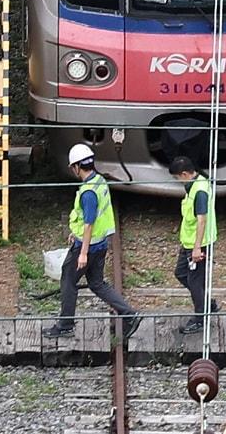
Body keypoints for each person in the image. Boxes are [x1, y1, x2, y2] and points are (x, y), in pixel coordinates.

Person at [42, 144, 142, 340]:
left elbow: (89, 223)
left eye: (73, 167)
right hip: (100, 244)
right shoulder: (100, 181)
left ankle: (65, 324)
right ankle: (129, 314)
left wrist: (82, 253)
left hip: (87, 246)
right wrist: (76, 232)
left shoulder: (88, 192)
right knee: (96, 283)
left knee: (68, 280)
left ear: (77, 167)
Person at [168, 155, 220, 335]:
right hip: (189, 242)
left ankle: (200, 318)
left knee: (195, 281)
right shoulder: (198, 183)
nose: (177, 181)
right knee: (181, 273)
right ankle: (207, 304)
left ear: (184, 174)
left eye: (177, 178)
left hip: (199, 245)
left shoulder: (199, 191)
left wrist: (197, 248)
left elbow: (201, 220)